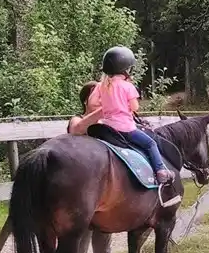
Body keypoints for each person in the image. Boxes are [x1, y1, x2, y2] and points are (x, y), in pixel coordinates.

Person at [70, 46, 175, 185]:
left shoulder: (103, 86)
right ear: (126, 69)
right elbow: (135, 107)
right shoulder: (128, 86)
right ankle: (161, 171)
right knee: (150, 144)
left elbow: (95, 101)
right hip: (126, 128)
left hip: (108, 127)